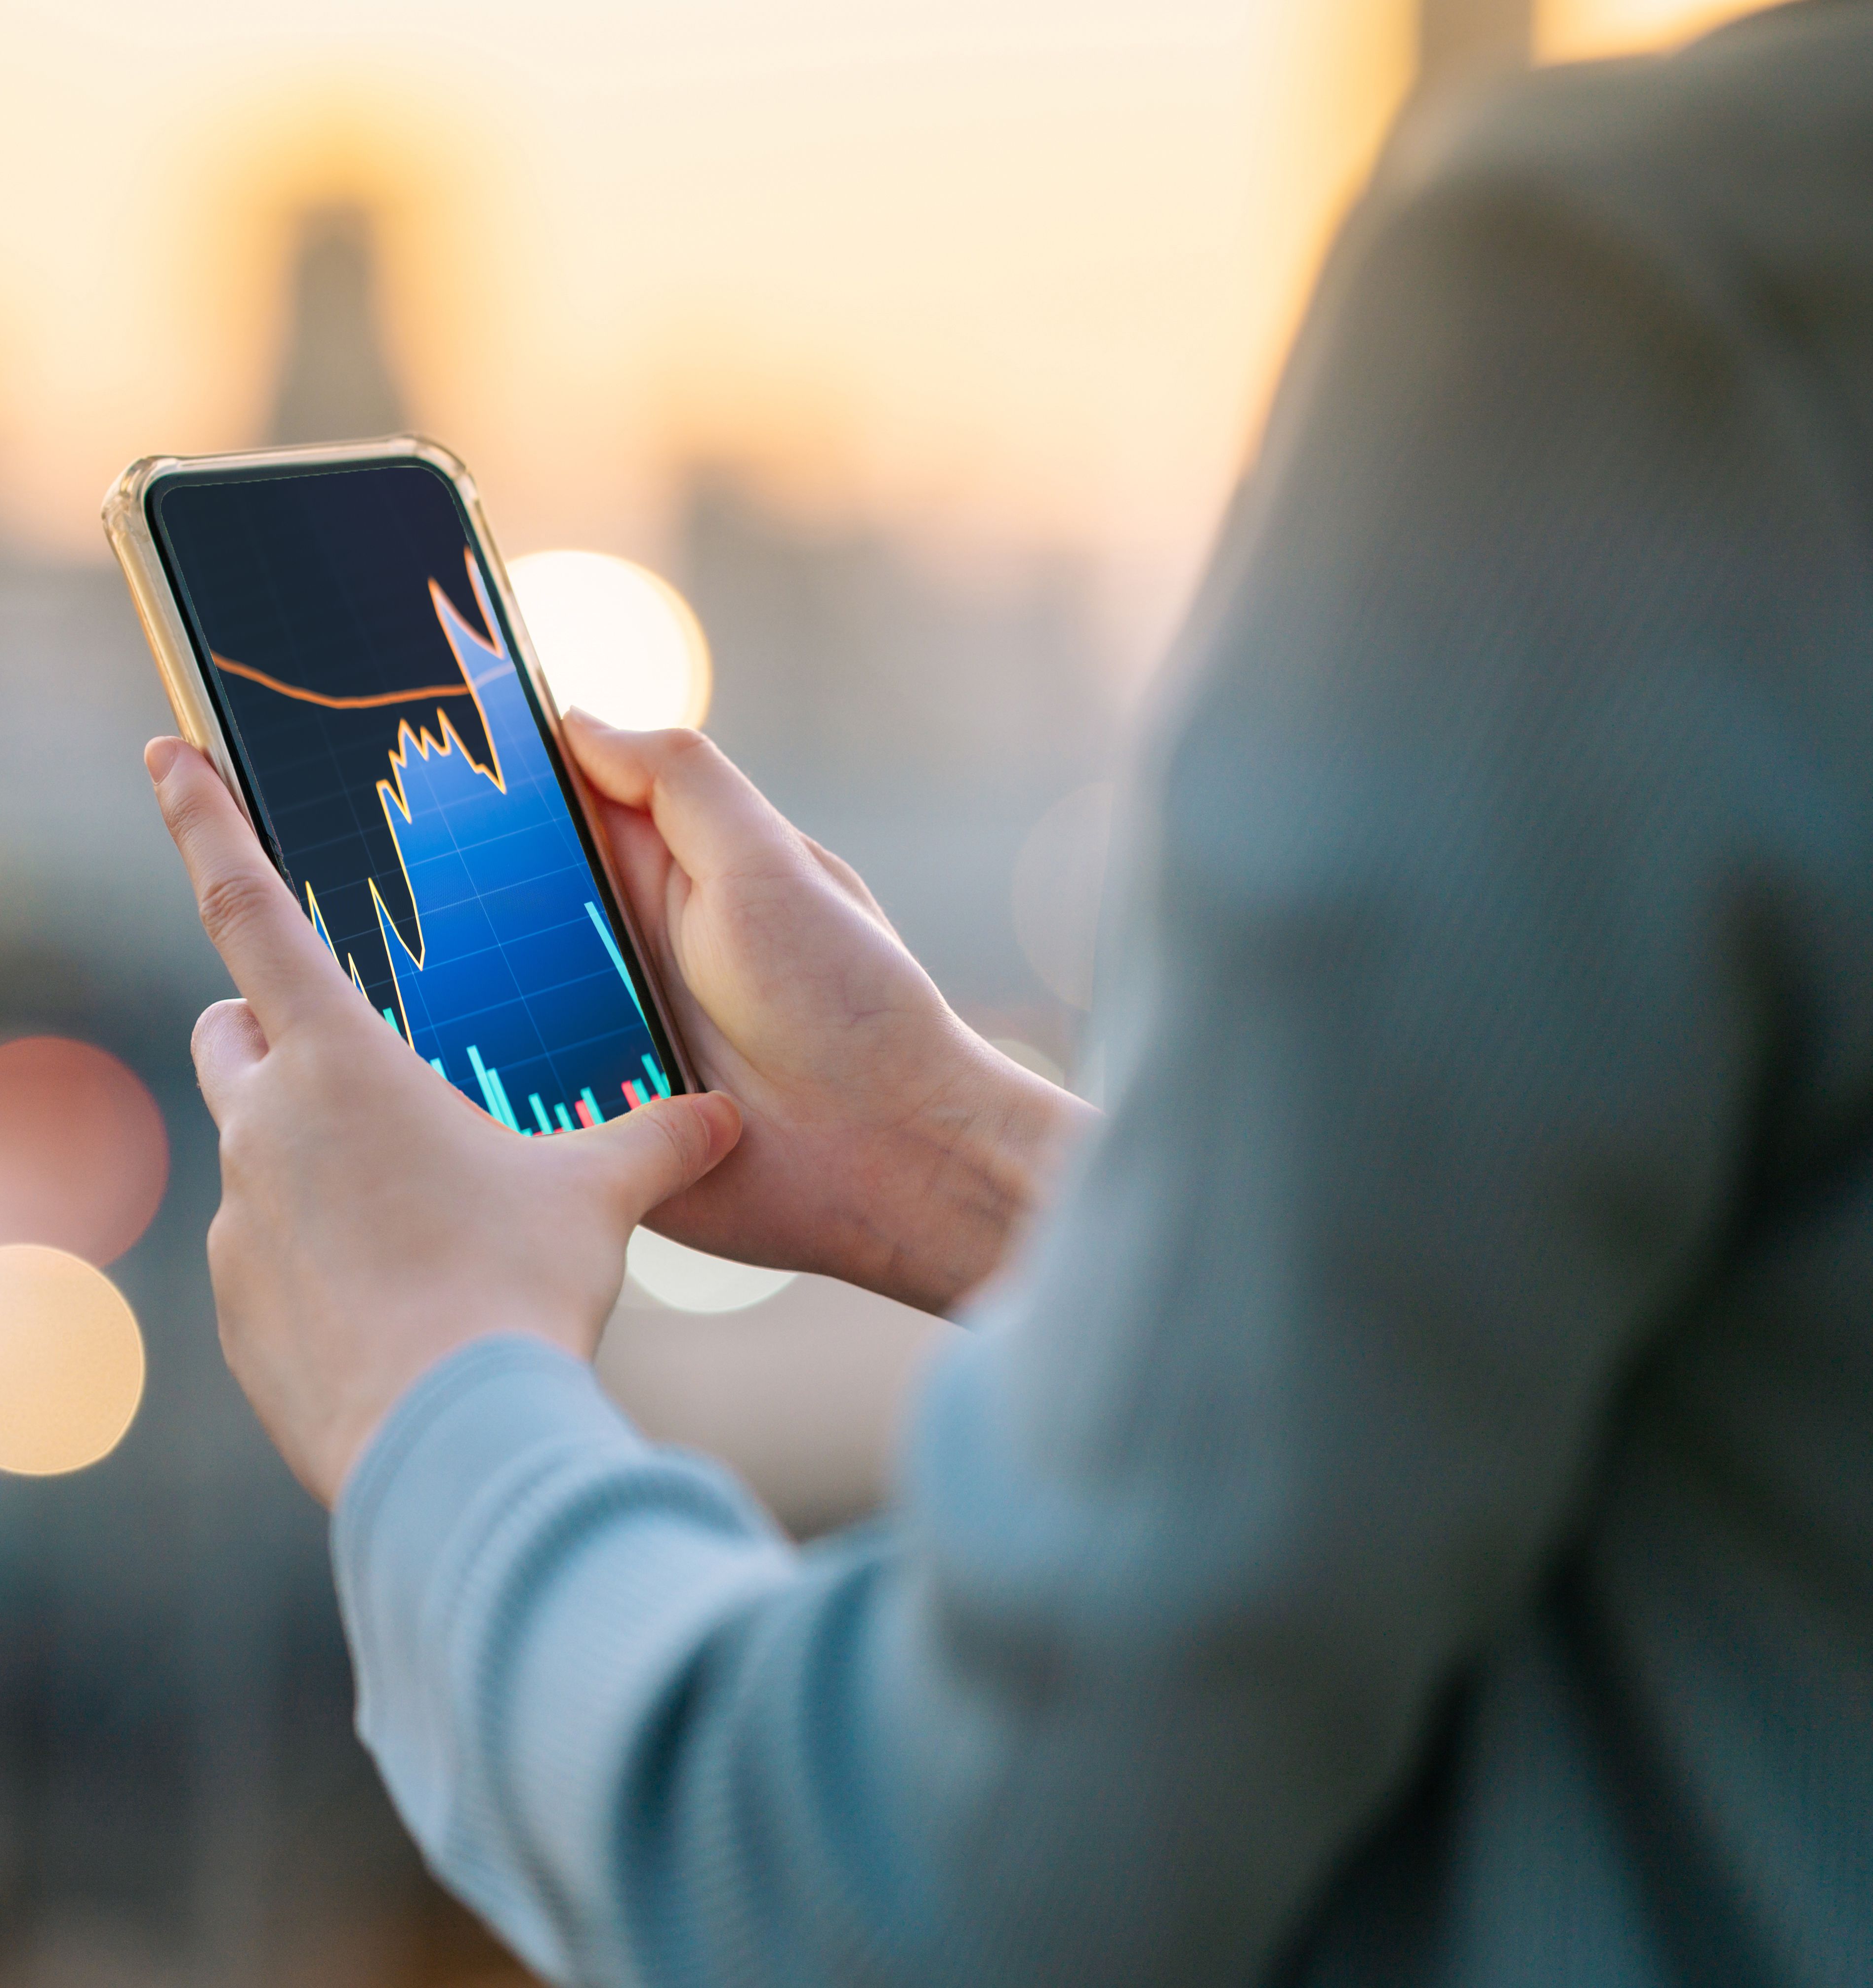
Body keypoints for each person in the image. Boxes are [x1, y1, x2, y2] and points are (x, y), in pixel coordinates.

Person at [142, 5, 1873, 1982]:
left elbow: (928, 1882)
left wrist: (430, 1392)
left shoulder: (1644, 295)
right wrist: (942, 1150)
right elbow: (1725, 1442)